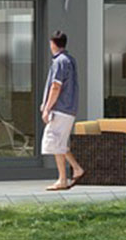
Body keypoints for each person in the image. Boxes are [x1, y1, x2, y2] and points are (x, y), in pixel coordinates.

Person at [40, 30, 84, 191]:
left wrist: (47, 107)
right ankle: (77, 169)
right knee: (59, 142)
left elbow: (56, 86)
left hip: (61, 109)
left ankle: (62, 179)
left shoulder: (59, 61)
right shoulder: (70, 60)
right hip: (69, 108)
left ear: (53, 44)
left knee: (54, 142)